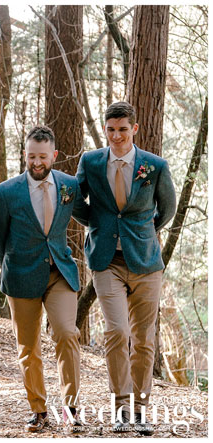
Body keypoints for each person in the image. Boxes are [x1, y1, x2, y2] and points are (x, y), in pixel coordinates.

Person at [74, 102, 176, 435]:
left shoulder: (154, 166)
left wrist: (143, 231)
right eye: (111, 130)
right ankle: (120, 408)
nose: (116, 136)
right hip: (107, 263)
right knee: (117, 331)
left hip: (146, 262)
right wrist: (99, 224)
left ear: (134, 129)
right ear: (105, 129)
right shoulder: (90, 162)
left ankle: (141, 410)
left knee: (144, 338)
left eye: (122, 129)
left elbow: (168, 208)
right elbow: (75, 200)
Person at [0, 126, 87, 433]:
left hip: (59, 272)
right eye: (32, 156)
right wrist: (13, 265)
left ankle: (70, 409)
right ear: (25, 155)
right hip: (21, 277)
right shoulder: (6, 192)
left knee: (66, 333)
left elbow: (88, 215)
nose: (37, 162)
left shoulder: (70, 185)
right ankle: (38, 410)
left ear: (53, 155)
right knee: (28, 346)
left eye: (43, 157)